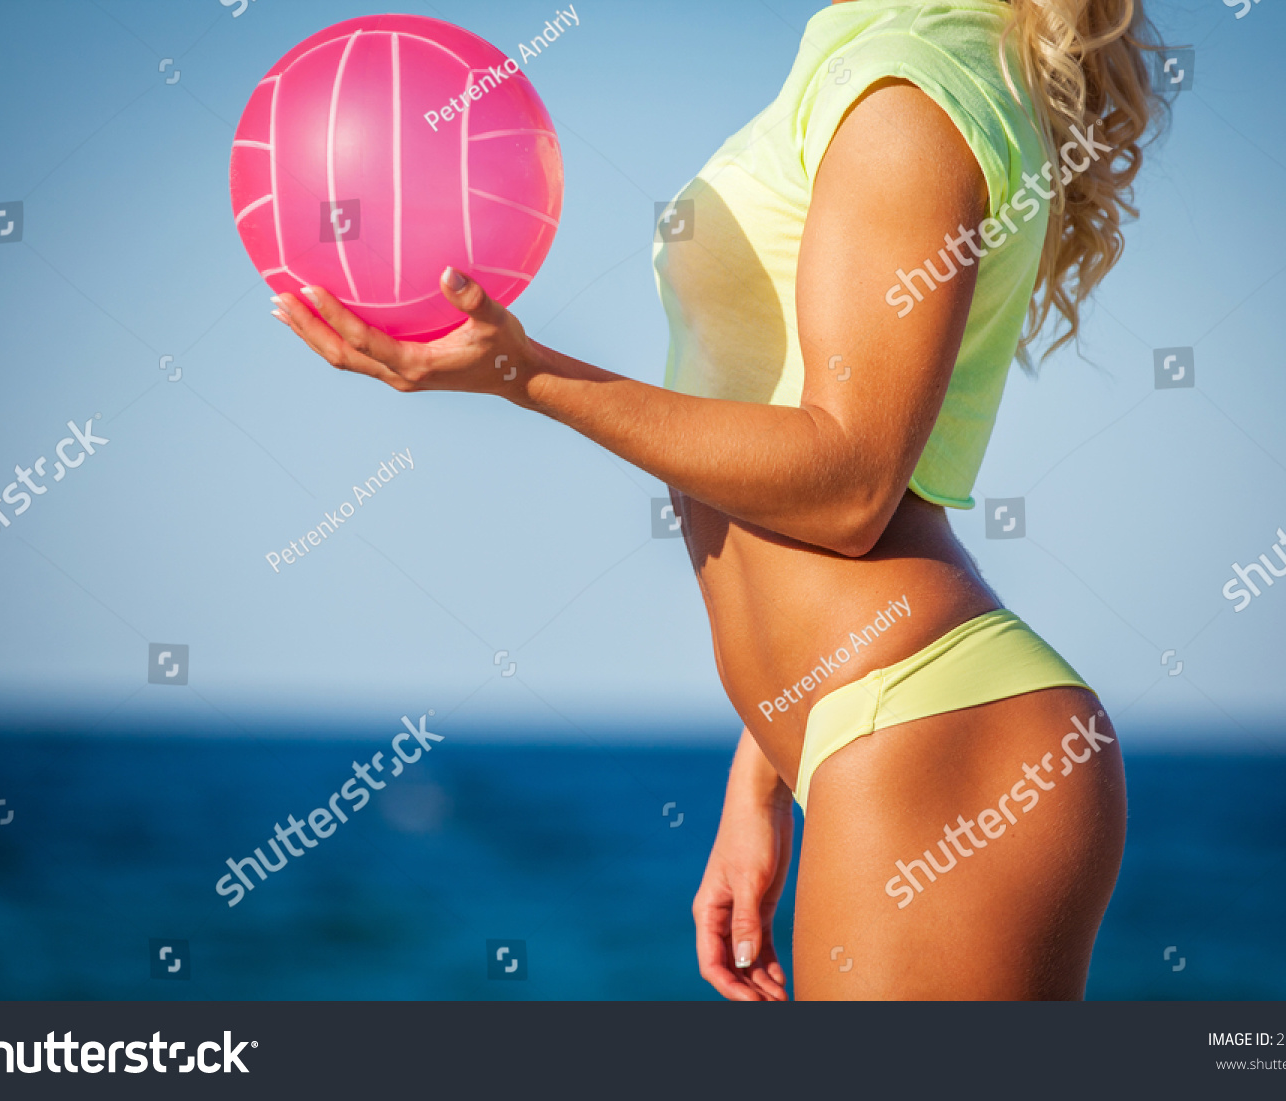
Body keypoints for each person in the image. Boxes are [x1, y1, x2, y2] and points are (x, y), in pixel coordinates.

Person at [272, 0, 1164, 1000]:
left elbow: (851, 485)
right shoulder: (886, 51)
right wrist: (765, 779)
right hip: (871, 733)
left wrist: (525, 372)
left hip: (932, 739)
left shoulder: (911, 87)